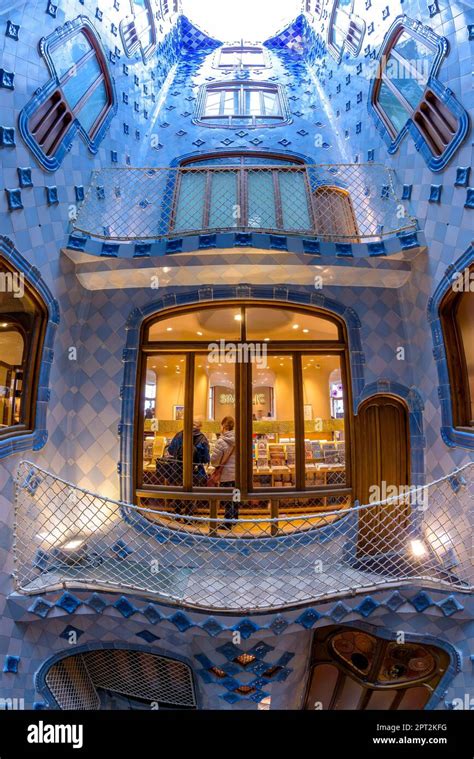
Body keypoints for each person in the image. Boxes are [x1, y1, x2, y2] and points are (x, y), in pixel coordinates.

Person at [166, 419, 210, 517]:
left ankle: (177, 514)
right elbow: (206, 458)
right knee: (192, 493)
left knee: (178, 491)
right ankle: (188, 516)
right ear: (199, 427)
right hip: (194, 471)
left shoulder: (179, 435)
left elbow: (171, 450)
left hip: (178, 469)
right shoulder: (202, 438)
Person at [211, 416, 237, 529]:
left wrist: (215, 465)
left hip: (226, 474)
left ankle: (227, 523)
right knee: (235, 496)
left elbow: (214, 461)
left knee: (227, 498)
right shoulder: (239, 439)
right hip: (237, 474)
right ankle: (235, 519)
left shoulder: (221, 441)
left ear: (224, 426)